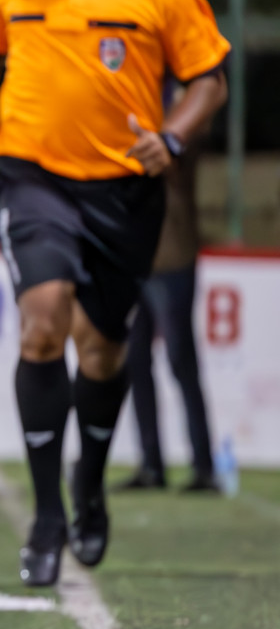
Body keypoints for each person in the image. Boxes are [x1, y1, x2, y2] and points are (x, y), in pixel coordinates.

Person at [0, 0, 229, 587]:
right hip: (32, 179)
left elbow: (209, 81)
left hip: (126, 190)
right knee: (42, 325)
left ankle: (89, 488)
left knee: (103, 352)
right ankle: (45, 515)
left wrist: (174, 136)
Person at [119, 88, 217, 493]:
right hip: (136, 259)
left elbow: (169, 163)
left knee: (181, 361)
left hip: (173, 257)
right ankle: (151, 463)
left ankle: (204, 465)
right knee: (135, 362)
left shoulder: (179, 126)